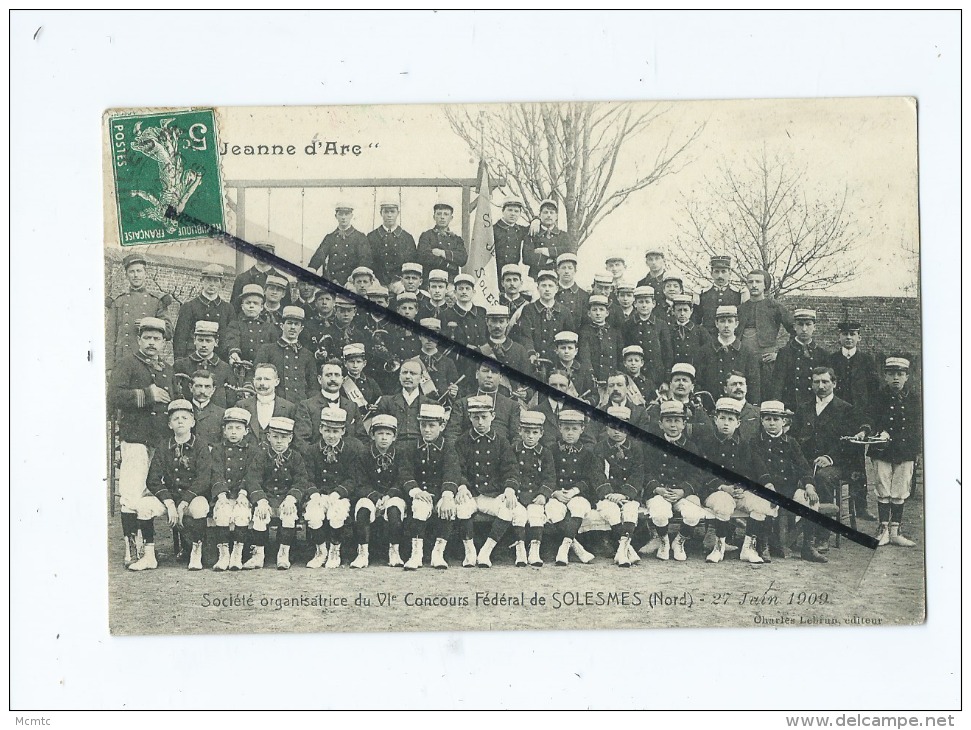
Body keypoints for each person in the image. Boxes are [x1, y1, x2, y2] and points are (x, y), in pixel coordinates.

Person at [108, 317, 173, 567]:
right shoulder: (127, 364)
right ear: (139, 340)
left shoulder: (166, 369)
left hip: (159, 440)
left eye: (157, 339)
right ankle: (131, 547)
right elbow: (113, 396)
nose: (152, 343)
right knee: (131, 493)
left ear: (164, 343)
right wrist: (148, 394)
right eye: (147, 338)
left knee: (150, 493)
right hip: (135, 438)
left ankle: (149, 548)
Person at [791, 366, 869, 551]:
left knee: (823, 478)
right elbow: (794, 439)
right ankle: (792, 531)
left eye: (825, 381)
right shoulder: (804, 408)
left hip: (838, 463)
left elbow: (850, 443)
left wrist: (829, 457)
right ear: (811, 385)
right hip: (808, 462)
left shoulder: (846, 409)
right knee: (789, 475)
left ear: (834, 383)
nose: (821, 386)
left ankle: (822, 536)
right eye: (816, 382)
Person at [693, 398, 773, 564]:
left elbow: (757, 468)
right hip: (714, 491)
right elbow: (701, 473)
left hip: (739, 491)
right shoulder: (706, 443)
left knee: (762, 504)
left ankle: (748, 548)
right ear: (715, 420)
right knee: (723, 504)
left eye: (731, 419)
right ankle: (719, 546)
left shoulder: (743, 445)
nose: (726, 423)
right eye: (722, 418)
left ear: (738, 423)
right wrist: (723, 487)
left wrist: (760, 485)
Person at [140, 399, 213, 571]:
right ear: (169, 424)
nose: (180, 421)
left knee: (201, 507)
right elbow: (153, 479)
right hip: (170, 499)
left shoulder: (201, 445)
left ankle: (196, 552)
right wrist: (169, 502)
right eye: (175, 418)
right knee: (144, 505)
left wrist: (185, 502)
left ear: (193, 422)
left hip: (192, 497)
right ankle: (149, 555)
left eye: (185, 418)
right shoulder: (163, 446)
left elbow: (204, 478)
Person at [750, 400, 827, 563]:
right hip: (766, 487)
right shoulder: (755, 441)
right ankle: (763, 545)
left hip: (789, 488)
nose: (772, 423)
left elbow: (803, 466)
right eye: (768, 419)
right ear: (762, 421)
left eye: (776, 419)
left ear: (783, 421)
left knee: (810, 502)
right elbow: (759, 467)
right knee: (765, 502)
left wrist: (809, 486)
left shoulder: (791, 442)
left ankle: (808, 546)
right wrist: (768, 486)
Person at [453, 396, 523, 568]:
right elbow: (456, 468)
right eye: (476, 417)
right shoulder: (462, 441)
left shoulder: (501, 441)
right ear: (469, 417)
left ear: (493, 415)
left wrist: (509, 488)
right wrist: (461, 485)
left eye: (484, 417)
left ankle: (486, 551)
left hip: (491, 494)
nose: (480, 422)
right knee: (462, 509)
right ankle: (470, 551)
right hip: (470, 492)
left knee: (508, 509)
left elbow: (511, 468)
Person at [827, 320, 881, 520]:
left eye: (853, 334)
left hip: (857, 419)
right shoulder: (831, 359)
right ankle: (832, 507)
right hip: (835, 417)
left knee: (857, 462)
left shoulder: (867, 361)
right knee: (833, 456)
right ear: (839, 337)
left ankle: (861, 505)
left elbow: (874, 394)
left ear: (859, 337)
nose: (849, 337)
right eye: (845, 334)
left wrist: (867, 423)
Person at [399, 403, 464, 570]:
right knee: (420, 507)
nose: (427, 430)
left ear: (441, 426)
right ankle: (416, 554)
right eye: (423, 425)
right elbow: (405, 472)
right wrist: (415, 490)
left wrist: (447, 495)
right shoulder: (412, 446)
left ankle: (438, 553)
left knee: (448, 508)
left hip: (441, 492)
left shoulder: (448, 447)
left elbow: (452, 472)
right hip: (420, 493)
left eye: (432, 425)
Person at [303, 406, 368, 569]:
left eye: (335, 431)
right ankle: (320, 551)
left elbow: (353, 479)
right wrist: (314, 494)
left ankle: (334, 550)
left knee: (336, 514)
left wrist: (338, 493)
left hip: (341, 495)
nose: (331, 435)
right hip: (319, 494)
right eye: (327, 430)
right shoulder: (312, 451)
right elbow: (307, 477)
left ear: (343, 431)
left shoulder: (351, 450)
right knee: (314, 514)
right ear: (320, 429)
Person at [243, 416, 312, 570]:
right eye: (275, 437)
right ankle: (258, 555)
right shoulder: (262, 456)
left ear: (290, 438)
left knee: (288, 513)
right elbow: (253, 479)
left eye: (283, 437)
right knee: (260, 515)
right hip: (267, 498)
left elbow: (301, 481)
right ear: (268, 437)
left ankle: (283, 554)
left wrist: (291, 498)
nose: (279, 441)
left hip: (287, 499)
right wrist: (260, 499)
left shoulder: (295, 457)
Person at [643, 400, 706, 562]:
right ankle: (664, 540)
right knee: (659, 513)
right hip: (660, 492)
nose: (673, 425)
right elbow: (646, 471)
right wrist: (657, 489)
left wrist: (683, 490)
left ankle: (679, 541)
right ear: (660, 424)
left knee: (693, 514)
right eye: (668, 421)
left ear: (684, 424)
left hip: (681, 493)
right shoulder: (652, 445)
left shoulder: (691, 447)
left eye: (677, 421)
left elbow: (697, 475)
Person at [868, 357, 921, 548]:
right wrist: (876, 433)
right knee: (883, 488)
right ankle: (883, 529)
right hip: (882, 449)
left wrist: (917, 452)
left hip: (905, 450)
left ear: (907, 376)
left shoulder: (915, 398)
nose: (896, 378)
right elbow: (871, 419)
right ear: (885, 376)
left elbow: (918, 427)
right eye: (891, 374)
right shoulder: (878, 396)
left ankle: (896, 531)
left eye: (900, 374)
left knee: (900, 490)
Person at [208, 407, 264, 570]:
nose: (233, 432)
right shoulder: (218, 449)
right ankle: (224, 554)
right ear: (224, 431)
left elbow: (252, 475)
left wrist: (243, 493)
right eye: (229, 428)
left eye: (238, 428)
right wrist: (221, 495)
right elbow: (216, 473)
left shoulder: (253, 450)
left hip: (242, 493)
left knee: (241, 514)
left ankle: (237, 553)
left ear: (246, 431)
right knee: (223, 513)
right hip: (224, 494)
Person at [350, 414, 406, 568]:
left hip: (393, 495)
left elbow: (402, 479)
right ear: (372, 435)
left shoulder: (401, 454)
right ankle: (362, 553)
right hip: (370, 495)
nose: (384, 438)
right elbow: (360, 483)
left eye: (388, 434)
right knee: (362, 511)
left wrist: (389, 495)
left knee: (394, 511)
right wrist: (376, 497)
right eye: (380, 433)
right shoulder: (364, 455)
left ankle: (394, 551)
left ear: (394, 437)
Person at [593, 406, 645, 568]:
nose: (617, 431)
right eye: (612, 427)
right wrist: (608, 493)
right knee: (612, 511)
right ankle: (627, 549)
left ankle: (621, 550)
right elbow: (596, 473)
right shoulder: (600, 447)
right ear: (607, 428)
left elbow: (638, 474)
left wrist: (624, 494)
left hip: (626, 495)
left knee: (630, 511)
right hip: (607, 495)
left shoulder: (636, 448)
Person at [546, 410, 599, 566]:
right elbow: (547, 475)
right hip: (557, 492)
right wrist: (555, 492)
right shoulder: (551, 450)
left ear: (582, 429)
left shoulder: (587, 453)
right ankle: (576, 546)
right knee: (552, 510)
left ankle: (564, 547)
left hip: (577, 493)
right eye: (566, 428)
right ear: (559, 428)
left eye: (574, 429)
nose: (570, 433)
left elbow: (590, 479)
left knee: (579, 507)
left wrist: (575, 490)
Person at [106, 252, 171, 370]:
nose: (136, 275)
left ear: (145, 273)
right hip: (122, 361)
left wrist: (148, 322)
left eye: (139, 271)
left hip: (148, 362)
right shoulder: (118, 301)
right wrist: (109, 368)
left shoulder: (156, 301)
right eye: (132, 271)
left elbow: (169, 332)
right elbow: (110, 338)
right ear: (126, 275)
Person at [737, 269, 795, 394]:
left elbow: (794, 330)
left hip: (766, 361)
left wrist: (779, 354)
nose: (754, 285)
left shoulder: (774, 306)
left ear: (765, 285)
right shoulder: (740, 309)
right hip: (743, 361)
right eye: (750, 282)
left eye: (758, 282)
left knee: (767, 394)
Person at [512, 411, 556, 567]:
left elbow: (550, 478)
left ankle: (534, 551)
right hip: (517, 495)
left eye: (535, 432)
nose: (530, 436)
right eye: (527, 432)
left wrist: (544, 494)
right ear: (520, 431)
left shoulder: (545, 453)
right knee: (518, 515)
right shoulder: (513, 450)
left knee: (536, 513)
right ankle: (520, 551)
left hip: (535, 495)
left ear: (541, 433)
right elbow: (509, 473)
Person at [698, 305, 762, 406]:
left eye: (730, 321)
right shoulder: (705, 352)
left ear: (736, 324)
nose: (726, 325)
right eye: (722, 321)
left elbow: (754, 386)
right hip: (710, 408)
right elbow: (698, 383)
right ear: (716, 323)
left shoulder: (747, 353)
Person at [511, 269, 576, 366]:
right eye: (543, 286)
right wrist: (531, 353)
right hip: (535, 361)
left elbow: (569, 337)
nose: (547, 289)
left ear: (556, 289)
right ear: (538, 288)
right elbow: (525, 335)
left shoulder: (564, 312)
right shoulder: (528, 310)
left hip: (558, 362)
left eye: (550, 286)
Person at [254, 306, 318, 404]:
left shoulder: (307, 355)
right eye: (289, 323)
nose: (292, 327)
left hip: (300, 405)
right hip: (275, 404)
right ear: (282, 326)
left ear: (301, 328)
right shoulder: (267, 350)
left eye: (296, 324)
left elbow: (313, 387)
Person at [172, 263, 234, 360]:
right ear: (202, 281)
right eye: (208, 280)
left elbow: (230, 337)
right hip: (193, 358)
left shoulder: (228, 309)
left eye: (216, 280)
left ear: (221, 284)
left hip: (219, 359)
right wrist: (180, 362)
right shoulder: (189, 307)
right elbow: (180, 338)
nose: (212, 284)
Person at [294, 358, 363, 444]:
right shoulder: (307, 406)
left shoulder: (352, 406)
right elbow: (301, 441)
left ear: (342, 379)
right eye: (328, 375)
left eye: (337, 375)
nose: (333, 379)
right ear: (319, 379)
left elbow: (362, 438)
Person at [774, 308, 829, 410]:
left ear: (814, 327)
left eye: (808, 324)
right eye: (800, 324)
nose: (804, 329)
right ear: (794, 326)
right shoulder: (785, 353)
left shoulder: (822, 354)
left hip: (815, 407)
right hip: (791, 407)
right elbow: (778, 384)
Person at [308, 202, 372, 287]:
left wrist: (353, 280)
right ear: (336, 216)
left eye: (346, 214)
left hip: (351, 282)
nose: (343, 217)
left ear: (351, 216)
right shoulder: (330, 237)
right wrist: (312, 269)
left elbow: (364, 260)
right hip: (331, 280)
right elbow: (319, 256)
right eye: (341, 214)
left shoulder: (360, 237)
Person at [644, 363, 713, 441]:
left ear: (692, 387)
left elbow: (708, 431)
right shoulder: (658, 408)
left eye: (685, 380)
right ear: (670, 385)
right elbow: (655, 431)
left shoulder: (697, 410)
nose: (681, 383)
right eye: (677, 380)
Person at [173, 321, 234, 407]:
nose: (204, 345)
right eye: (200, 340)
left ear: (216, 342)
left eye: (208, 341)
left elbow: (230, 399)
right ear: (194, 340)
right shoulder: (181, 365)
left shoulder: (225, 368)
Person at [224, 284, 277, 382]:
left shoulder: (269, 328)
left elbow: (274, 351)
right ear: (242, 306)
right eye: (248, 303)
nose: (251, 306)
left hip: (262, 374)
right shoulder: (235, 325)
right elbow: (232, 338)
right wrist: (234, 353)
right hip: (240, 371)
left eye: (255, 303)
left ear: (261, 307)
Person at [234, 363, 297, 443]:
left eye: (267, 379)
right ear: (253, 381)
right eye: (258, 379)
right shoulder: (241, 406)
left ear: (277, 382)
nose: (262, 383)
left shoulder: (289, 408)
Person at [623, 285, 671, 388]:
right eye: (640, 302)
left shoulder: (661, 325)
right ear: (635, 304)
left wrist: (666, 381)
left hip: (656, 376)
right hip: (633, 377)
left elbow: (668, 353)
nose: (644, 305)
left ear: (653, 304)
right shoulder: (628, 325)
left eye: (647, 302)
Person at [366, 200, 418, 288]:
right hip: (377, 282)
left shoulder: (407, 238)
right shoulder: (372, 237)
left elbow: (411, 263)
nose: (389, 215)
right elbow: (368, 262)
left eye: (392, 212)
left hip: (400, 283)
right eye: (386, 212)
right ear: (381, 213)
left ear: (398, 213)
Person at [523, 199, 576, 281]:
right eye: (545, 212)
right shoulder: (532, 233)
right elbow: (526, 258)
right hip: (536, 277)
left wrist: (546, 251)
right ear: (540, 215)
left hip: (557, 278)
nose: (548, 215)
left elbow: (569, 252)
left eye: (551, 213)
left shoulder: (563, 235)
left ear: (556, 216)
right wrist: (550, 259)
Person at [230, 242, 292, 312]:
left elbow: (287, 309)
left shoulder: (282, 280)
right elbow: (234, 309)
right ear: (254, 254)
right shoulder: (242, 278)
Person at [579, 294, 622, 387]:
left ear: (607, 313)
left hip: (612, 378)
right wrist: (591, 375)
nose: (598, 313)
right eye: (594, 310)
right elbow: (585, 357)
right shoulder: (584, 332)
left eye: (601, 310)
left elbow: (619, 357)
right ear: (589, 313)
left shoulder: (614, 333)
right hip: (594, 378)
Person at [696, 255, 745, 337]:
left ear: (730, 273)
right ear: (711, 273)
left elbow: (741, 321)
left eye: (723, 271)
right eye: (716, 272)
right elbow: (697, 321)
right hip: (708, 340)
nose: (720, 276)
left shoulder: (738, 294)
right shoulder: (703, 295)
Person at [417, 202, 468, 280]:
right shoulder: (426, 236)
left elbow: (462, 259)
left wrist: (442, 253)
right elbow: (423, 257)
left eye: (446, 214)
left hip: (451, 283)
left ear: (451, 218)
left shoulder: (456, 239)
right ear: (434, 217)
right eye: (439, 214)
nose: (442, 217)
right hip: (430, 282)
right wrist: (449, 265)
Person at [667, 293, 710, 370]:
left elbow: (707, 353)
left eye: (685, 310)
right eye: (679, 310)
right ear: (673, 311)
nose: (682, 313)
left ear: (691, 311)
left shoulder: (700, 331)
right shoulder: (668, 330)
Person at [445, 273, 486, 350]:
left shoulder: (482, 312)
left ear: (473, 292)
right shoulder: (446, 314)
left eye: (467, 288)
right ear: (455, 292)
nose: (464, 292)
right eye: (460, 289)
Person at [184, 370, 225, 444]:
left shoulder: (222, 414)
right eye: (199, 386)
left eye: (207, 387)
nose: (203, 391)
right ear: (190, 387)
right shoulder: (182, 411)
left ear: (213, 390)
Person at [493, 196, 529, 279]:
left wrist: (536, 220)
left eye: (516, 211)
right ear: (503, 211)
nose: (513, 214)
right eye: (510, 210)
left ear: (520, 214)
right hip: (495, 273)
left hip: (514, 272)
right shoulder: (493, 229)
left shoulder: (521, 230)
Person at [723, 370, 761, 441]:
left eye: (741, 384)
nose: (738, 387)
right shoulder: (719, 413)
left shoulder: (757, 413)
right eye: (734, 384)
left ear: (746, 387)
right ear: (725, 389)